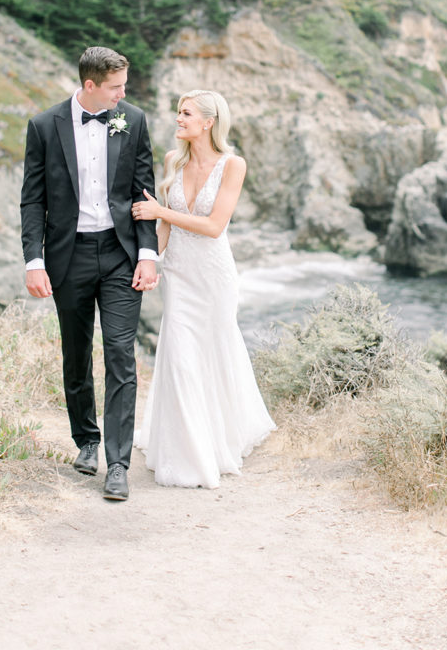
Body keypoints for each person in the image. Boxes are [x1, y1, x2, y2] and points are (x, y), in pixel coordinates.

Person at [20, 46, 158, 501]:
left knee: (121, 355)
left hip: (120, 254)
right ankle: (87, 441)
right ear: (90, 85)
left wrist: (148, 253)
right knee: (76, 354)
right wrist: (34, 261)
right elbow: (32, 200)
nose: (124, 94)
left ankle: (118, 464)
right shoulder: (44, 126)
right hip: (68, 256)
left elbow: (144, 190)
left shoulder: (132, 120)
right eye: (117, 86)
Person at [132, 89, 275, 488]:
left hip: (213, 276)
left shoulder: (233, 165)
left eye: (186, 113)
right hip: (178, 274)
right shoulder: (173, 161)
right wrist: (148, 261)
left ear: (208, 122)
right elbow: (164, 228)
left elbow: (214, 227)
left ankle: (215, 441)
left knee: (211, 354)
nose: (178, 119)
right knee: (179, 358)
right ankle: (185, 451)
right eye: (178, 112)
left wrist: (161, 210)